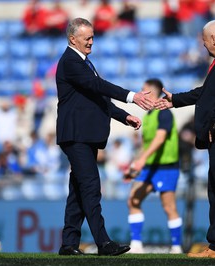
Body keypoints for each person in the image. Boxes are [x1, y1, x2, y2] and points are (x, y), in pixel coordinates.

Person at [155, 19, 215, 258]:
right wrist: (175, 100)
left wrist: (214, 122)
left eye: (204, 40)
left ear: (213, 39)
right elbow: (207, 93)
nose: (202, 44)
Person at [55, 17, 153, 256]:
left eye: (92, 37)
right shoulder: (71, 61)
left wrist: (123, 116)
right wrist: (132, 96)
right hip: (76, 135)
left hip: (84, 135)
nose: (91, 42)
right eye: (87, 38)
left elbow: (97, 97)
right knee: (90, 187)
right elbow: (98, 86)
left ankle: (69, 244)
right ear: (72, 39)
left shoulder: (84, 62)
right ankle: (103, 243)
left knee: (79, 189)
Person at [125, 78, 183, 254]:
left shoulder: (164, 112)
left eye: (143, 90)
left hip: (166, 167)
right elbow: (146, 144)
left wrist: (142, 160)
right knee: (133, 200)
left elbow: (160, 138)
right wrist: (136, 164)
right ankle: (136, 245)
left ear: (152, 92)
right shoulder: (149, 115)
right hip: (149, 167)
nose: (141, 93)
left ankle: (176, 247)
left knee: (169, 207)